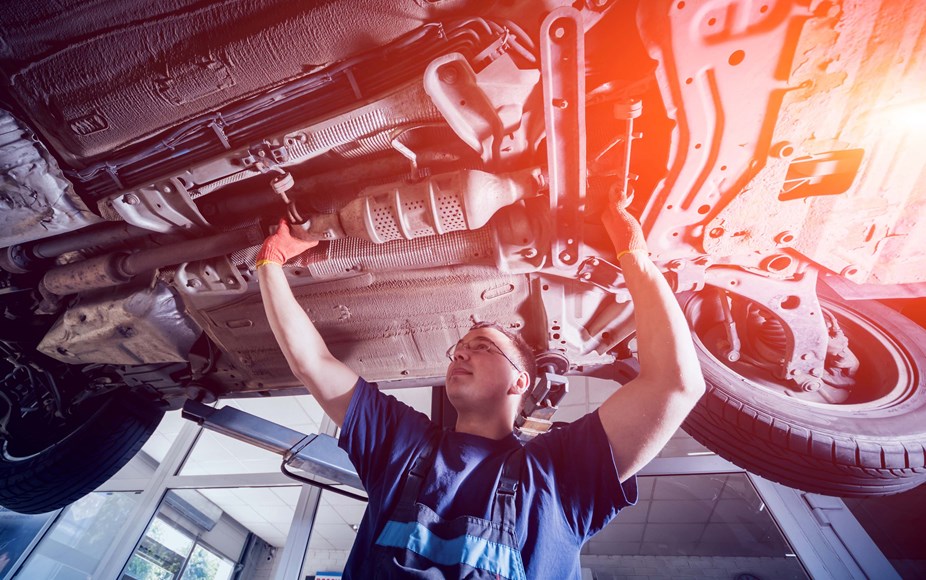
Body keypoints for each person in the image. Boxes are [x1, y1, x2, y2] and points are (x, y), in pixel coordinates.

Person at [257, 201, 705, 578]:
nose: (459, 354)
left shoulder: (561, 474)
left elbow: (675, 384)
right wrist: (270, 263)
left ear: (520, 381)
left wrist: (636, 259)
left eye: (482, 347)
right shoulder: (402, 443)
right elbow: (312, 362)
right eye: (459, 348)